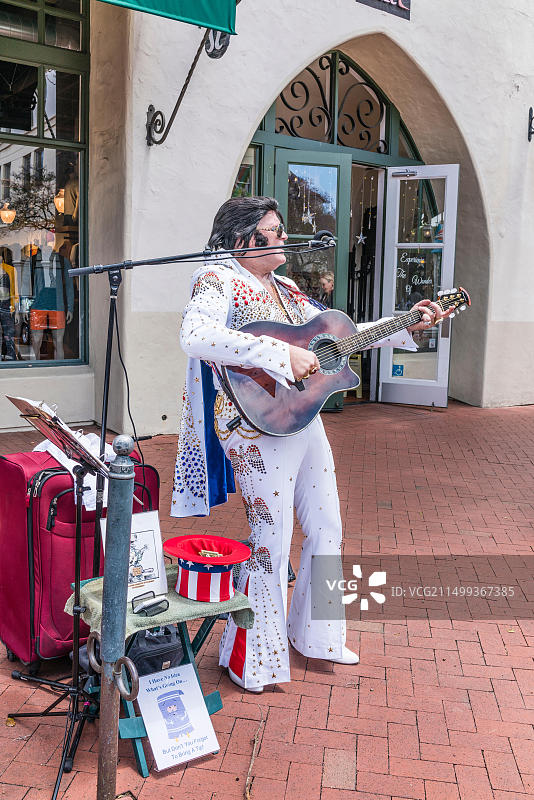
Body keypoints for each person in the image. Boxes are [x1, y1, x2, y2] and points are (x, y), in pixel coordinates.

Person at [172, 196, 448, 693]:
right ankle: (255, 658)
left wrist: (404, 322)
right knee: (271, 542)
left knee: (328, 526)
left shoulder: (289, 291)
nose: (283, 237)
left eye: (281, 229)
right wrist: (278, 354)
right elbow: (195, 335)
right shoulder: (217, 280)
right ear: (242, 239)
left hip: (305, 418)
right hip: (253, 427)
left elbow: (338, 337)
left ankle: (318, 637)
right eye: (273, 230)